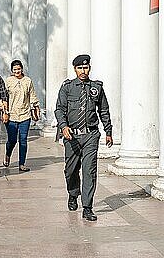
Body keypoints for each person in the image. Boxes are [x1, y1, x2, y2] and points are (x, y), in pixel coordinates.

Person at [55, 54, 112, 222]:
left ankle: (87, 207)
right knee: (70, 170)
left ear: (90, 68)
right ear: (75, 69)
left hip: (90, 135)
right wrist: (63, 126)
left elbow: (103, 110)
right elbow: (59, 109)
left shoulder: (96, 88)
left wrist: (108, 131)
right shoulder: (67, 87)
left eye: (85, 68)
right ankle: (73, 193)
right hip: (71, 135)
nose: (83, 71)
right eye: (80, 68)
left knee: (89, 170)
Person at [3, 59, 39, 172]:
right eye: (15, 69)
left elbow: (32, 95)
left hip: (25, 115)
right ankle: (8, 154)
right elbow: (4, 96)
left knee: (23, 140)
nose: (17, 71)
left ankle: (22, 163)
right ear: (12, 70)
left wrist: (35, 107)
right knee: (12, 140)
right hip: (12, 115)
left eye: (18, 69)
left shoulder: (28, 81)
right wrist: (4, 111)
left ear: (22, 69)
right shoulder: (8, 81)